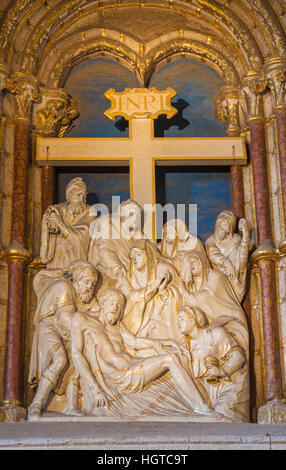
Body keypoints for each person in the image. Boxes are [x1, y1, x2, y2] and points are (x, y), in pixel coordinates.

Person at [71, 288, 215, 418]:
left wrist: (166, 342)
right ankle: (201, 406)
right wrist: (95, 389)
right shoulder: (82, 319)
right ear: (102, 303)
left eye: (119, 306)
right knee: (170, 359)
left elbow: (134, 341)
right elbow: (76, 354)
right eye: (112, 303)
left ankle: (201, 401)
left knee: (175, 356)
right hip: (122, 375)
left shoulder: (117, 324)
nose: (115, 307)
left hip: (133, 363)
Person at [28, 261, 99, 419]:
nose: (90, 288)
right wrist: (90, 326)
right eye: (86, 282)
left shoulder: (82, 296)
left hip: (67, 333)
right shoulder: (63, 287)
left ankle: (72, 405)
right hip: (50, 329)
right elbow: (66, 318)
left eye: (93, 284)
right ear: (76, 280)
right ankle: (35, 405)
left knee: (77, 359)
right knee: (60, 359)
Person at [177, 306, 249, 422]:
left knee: (223, 413)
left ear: (193, 319)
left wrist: (223, 370)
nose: (178, 323)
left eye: (181, 319)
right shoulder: (185, 348)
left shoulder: (216, 334)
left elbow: (238, 356)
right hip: (206, 392)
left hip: (228, 383)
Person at [180, 250, 249, 354]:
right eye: (189, 262)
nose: (191, 264)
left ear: (202, 261)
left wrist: (181, 288)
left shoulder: (216, 276)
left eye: (194, 261)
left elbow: (202, 299)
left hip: (231, 323)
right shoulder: (192, 288)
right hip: (208, 331)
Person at [118, 239, 185, 340]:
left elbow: (180, 290)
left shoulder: (163, 268)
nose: (134, 259)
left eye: (138, 254)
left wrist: (163, 291)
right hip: (136, 320)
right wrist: (154, 286)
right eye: (132, 257)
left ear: (148, 254)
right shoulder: (127, 277)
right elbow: (129, 298)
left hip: (160, 317)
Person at [40, 177, 96, 270]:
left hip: (77, 263)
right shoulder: (58, 210)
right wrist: (46, 225)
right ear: (69, 197)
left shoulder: (90, 211)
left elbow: (82, 236)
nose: (78, 199)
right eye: (74, 195)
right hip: (57, 261)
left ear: (85, 196)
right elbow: (48, 233)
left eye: (81, 195)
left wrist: (61, 225)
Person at [205, 210, 250, 302]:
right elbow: (212, 254)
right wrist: (226, 262)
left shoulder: (236, 240)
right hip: (214, 281)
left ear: (229, 230)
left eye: (224, 225)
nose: (220, 227)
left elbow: (242, 262)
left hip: (232, 281)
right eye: (219, 224)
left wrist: (245, 236)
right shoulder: (210, 241)